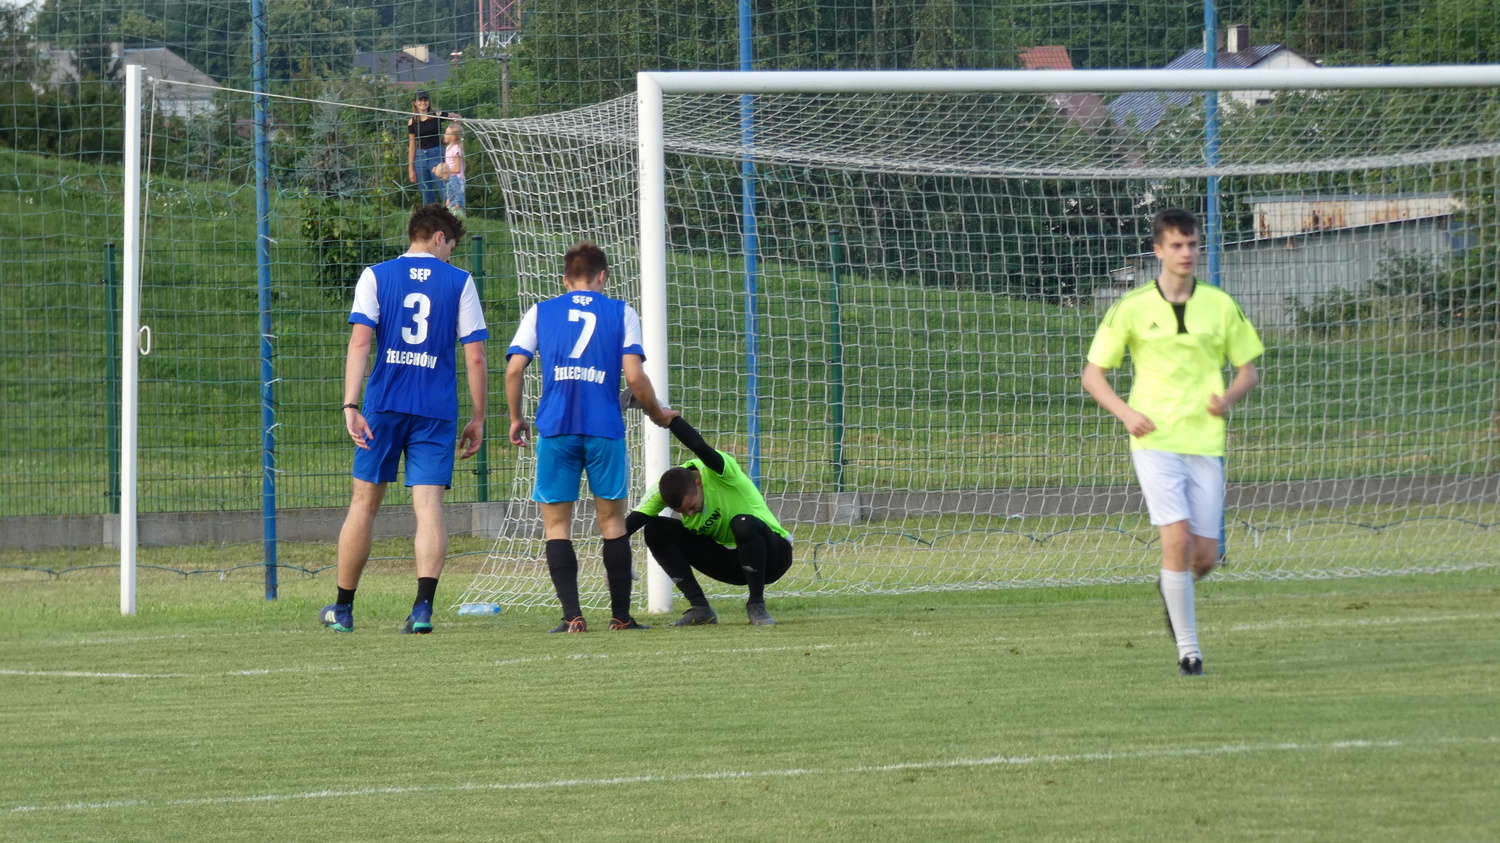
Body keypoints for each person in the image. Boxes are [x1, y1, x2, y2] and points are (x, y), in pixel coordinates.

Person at [1082, 207, 1263, 676]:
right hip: (1155, 441)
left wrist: (1227, 398)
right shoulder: (1132, 306)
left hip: (1205, 442)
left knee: (1204, 557)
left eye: (1192, 244)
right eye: (1177, 245)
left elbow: (1248, 371)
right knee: (1176, 542)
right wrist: (1127, 413)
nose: (1186, 253)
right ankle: (1189, 652)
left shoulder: (1220, 305)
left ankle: (1172, 586)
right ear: (1158, 250)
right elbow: (1093, 375)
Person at [320, 204, 488, 635]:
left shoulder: (376, 276)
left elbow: (360, 343)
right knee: (429, 507)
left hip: (384, 405)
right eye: (451, 246)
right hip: (435, 409)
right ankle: (423, 609)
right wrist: (478, 417)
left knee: (363, 504)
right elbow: (475, 355)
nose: (450, 255)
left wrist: (350, 405)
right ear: (439, 238)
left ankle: (343, 609)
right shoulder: (460, 282)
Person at [506, 241, 675, 633]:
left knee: (556, 526)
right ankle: (621, 617)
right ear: (603, 277)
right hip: (604, 428)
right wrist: (656, 413)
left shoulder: (541, 311)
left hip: (557, 428)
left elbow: (514, 370)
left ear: (566, 280)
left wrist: (516, 418)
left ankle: (572, 617)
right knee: (612, 522)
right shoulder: (621, 312)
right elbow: (634, 377)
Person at [621, 415, 793, 627]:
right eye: (682, 512)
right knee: (655, 529)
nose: (689, 514)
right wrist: (618, 562)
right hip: (732, 564)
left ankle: (756, 605)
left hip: (773, 558)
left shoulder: (719, 472)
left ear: (698, 483)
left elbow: (699, 446)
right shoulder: (660, 493)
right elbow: (623, 531)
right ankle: (701, 609)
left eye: (691, 507)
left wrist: (671, 420)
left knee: (743, 523)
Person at [407, 90, 460, 206]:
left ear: (429, 102)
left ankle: (453, 212)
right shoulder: (412, 122)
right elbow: (412, 145)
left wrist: (448, 138)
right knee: (426, 194)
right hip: (420, 158)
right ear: (415, 103)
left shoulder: (436, 115)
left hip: (436, 155)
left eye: (425, 100)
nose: (423, 103)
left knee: (445, 190)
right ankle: (432, 216)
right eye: (420, 100)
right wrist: (411, 168)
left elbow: (457, 117)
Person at [441, 122, 465, 216]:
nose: (445, 135)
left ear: (453, 137)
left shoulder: (456, 149)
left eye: (447, 134)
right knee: (449, 200)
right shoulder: (448, 148)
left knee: (457, 203)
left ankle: (460, 217)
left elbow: (458, 169)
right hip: (450, 179)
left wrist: (445, 171)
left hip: (457, 180)